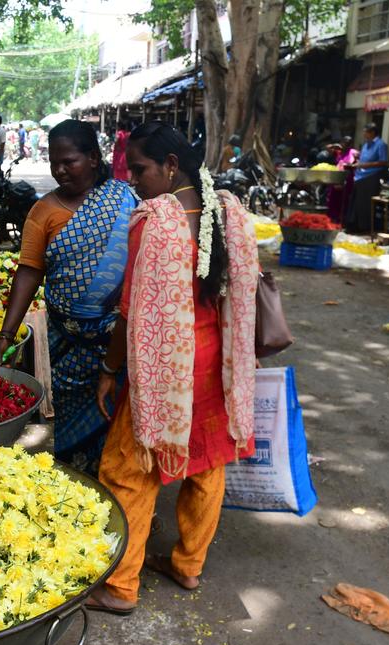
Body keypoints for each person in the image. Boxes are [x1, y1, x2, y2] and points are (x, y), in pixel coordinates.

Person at [86, 121, 258, 615]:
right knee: (207, 462)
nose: (132, 180)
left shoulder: (154, 219)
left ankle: (121, 586)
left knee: (127, 470)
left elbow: (129, 309)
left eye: (139, 169)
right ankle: (188, 565)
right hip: (217, 361)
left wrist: (109, 368)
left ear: (171, 166)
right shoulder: (224, 210)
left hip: (165, 366)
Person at [0, 120, 138, 474]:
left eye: (69, 161)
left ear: (93, 158)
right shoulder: (44, 211)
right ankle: (76, 485)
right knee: (69, 425)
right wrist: (6, 333)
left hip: (118, 342)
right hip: (67, 344)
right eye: (54, 163)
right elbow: (29, 270)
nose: (59, 170)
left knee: (118, 426)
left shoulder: (125, 201)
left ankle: (118, 489)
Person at [345, 123, 389, 234]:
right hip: (359, 176)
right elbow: (363, 159)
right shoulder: (365, 145)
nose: (364, 134)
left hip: (371, 177)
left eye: (366, 132)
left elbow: (383, 162)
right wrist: (357, 161)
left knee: (364, 203)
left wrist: (365, 165)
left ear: (372, 132)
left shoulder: (381, 144)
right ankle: (353, 225)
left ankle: (364, 227)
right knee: (355, 202)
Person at [327, 136, 358, 225]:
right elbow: (328, 148)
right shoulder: (339, 151)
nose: (345, 145)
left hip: (348, 177)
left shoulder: (353, 152)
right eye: (344, 143)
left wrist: (353, 164)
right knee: (333, 198)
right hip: (337, 177)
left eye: (348, 143)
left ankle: (343, 219)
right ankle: (333, 218)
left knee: (344, 199)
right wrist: (335, 145)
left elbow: (359, 161)